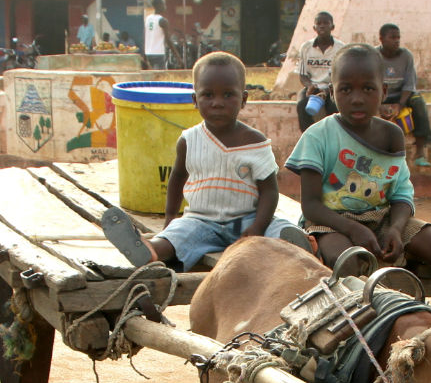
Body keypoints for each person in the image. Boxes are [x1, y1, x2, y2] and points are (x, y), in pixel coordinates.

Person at [284, 44, 431, 308]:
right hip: (331, 222)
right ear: (333, 93)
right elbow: (311, 206)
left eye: (368, 89)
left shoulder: (391, 135)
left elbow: (402, 194)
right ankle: (358, 339)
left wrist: (395, 228)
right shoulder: (318, 135)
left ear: (383, 91)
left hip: (382, 218)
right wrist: (353, 228)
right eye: (346, 89)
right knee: (347, 262)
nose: (357, 98)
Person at [101, 51, 309, 274]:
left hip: (247, 220)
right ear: (195, 100)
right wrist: (171, 216)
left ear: (244, 99)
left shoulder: (256, 143)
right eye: (208, 95)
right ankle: (149, 249)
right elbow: (177, 178)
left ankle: (298, 244)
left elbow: (269, 191)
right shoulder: (189, 140)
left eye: (228, 95)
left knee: (279, 228)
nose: (217, 103)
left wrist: (258, 226)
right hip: (202, 221)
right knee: (179, 233)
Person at [376, 23, 431, 167]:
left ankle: (420, 153)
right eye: (392, 37)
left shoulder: (406, 56)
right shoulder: (373, 56)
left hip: (401, 94)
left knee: (418, 102)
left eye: (398, 38)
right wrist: (379, 105)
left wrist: (400, 105)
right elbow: (370, 83)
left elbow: (409, 84)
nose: (396, 41)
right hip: (380, 94)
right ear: (381, 39)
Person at [295, 11, 345, 131]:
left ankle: (334, 138)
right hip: (312, 87)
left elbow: (343, 75)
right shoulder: (306, 47)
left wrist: (328, 90)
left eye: (326, 23)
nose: (322, 26)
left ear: (332, 27)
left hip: (333, 88)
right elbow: (302, 75)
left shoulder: (341, 48)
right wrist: (310, 86)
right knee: (302, 105)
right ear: (314, 27)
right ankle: (307, 138)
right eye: (319, 23)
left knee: (335, 108)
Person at [144, 0, 171, 70]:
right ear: (159, 5)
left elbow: (146, 36)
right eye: (164, 4)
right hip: (158, 53)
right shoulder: (163, 21)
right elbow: (168, 40)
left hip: (148, 53)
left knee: (151, 76)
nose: (165, 6)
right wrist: (178, 57)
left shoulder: (148, 18)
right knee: (159, 77)